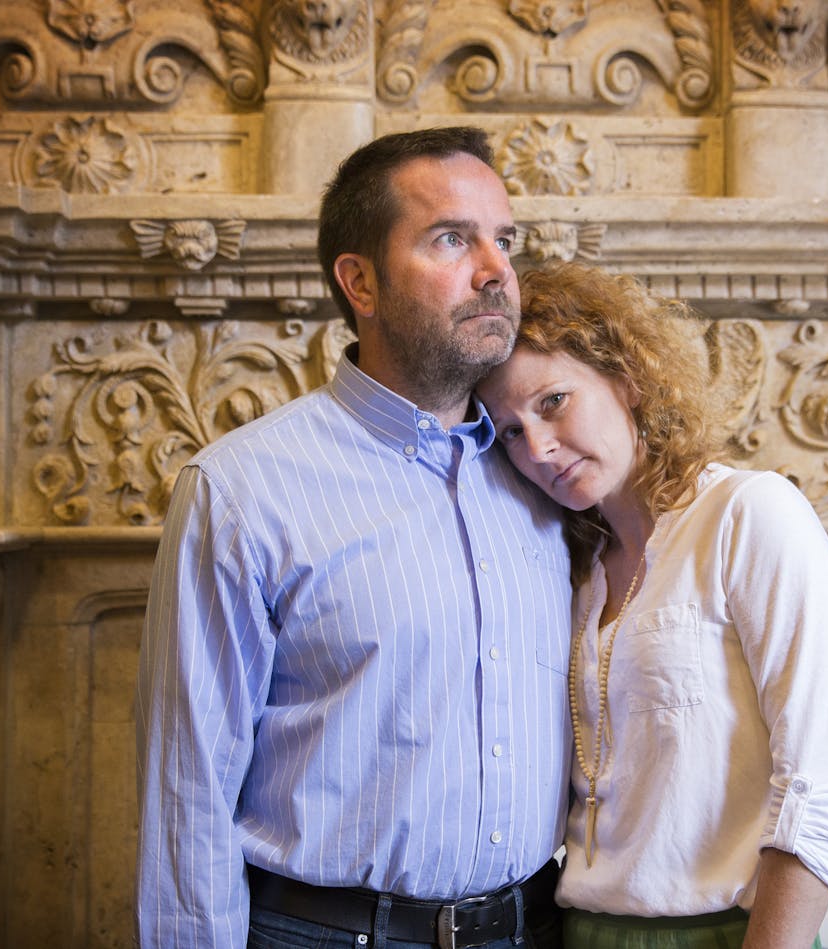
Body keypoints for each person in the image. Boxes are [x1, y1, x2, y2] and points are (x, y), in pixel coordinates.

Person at [135, 126, 573, 949]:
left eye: (503, 240)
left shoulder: (549, 473)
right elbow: (185, 794)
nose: (496, 272)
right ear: (360, 281)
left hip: (534, 928)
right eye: (453, 238)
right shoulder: (241, 489)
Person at [476, 263, 828, 949]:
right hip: (579, 930)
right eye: (509, 431)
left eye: (553, 401)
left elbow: (820, 781)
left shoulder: (748, 514)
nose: (536, 447)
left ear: (625, 376)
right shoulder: (572, 565)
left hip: (729, 929)